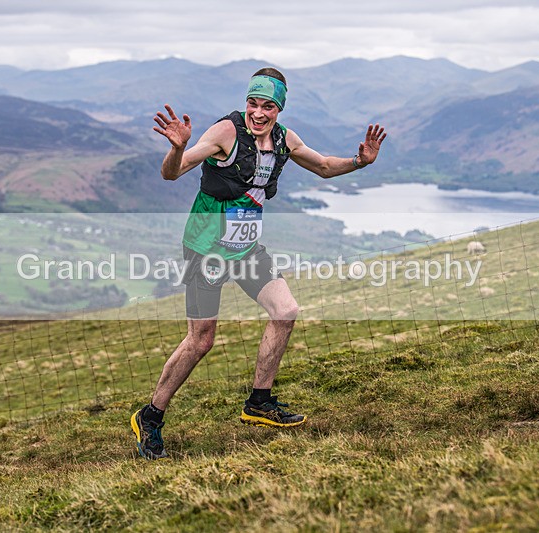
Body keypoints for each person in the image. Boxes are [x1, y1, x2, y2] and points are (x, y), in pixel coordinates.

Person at [131, 67, 387, 459]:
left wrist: (359, 161)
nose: (258, 112)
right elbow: (173, 173)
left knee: (285, 311)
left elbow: (322, 166)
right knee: (201, 341)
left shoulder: (285, 139)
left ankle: (259, 402)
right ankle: (150, 416)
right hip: (207, 248)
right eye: (252, 102)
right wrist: (178, 147)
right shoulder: (225, 133)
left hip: (246, 249)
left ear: (279, 109)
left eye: (267, 105)